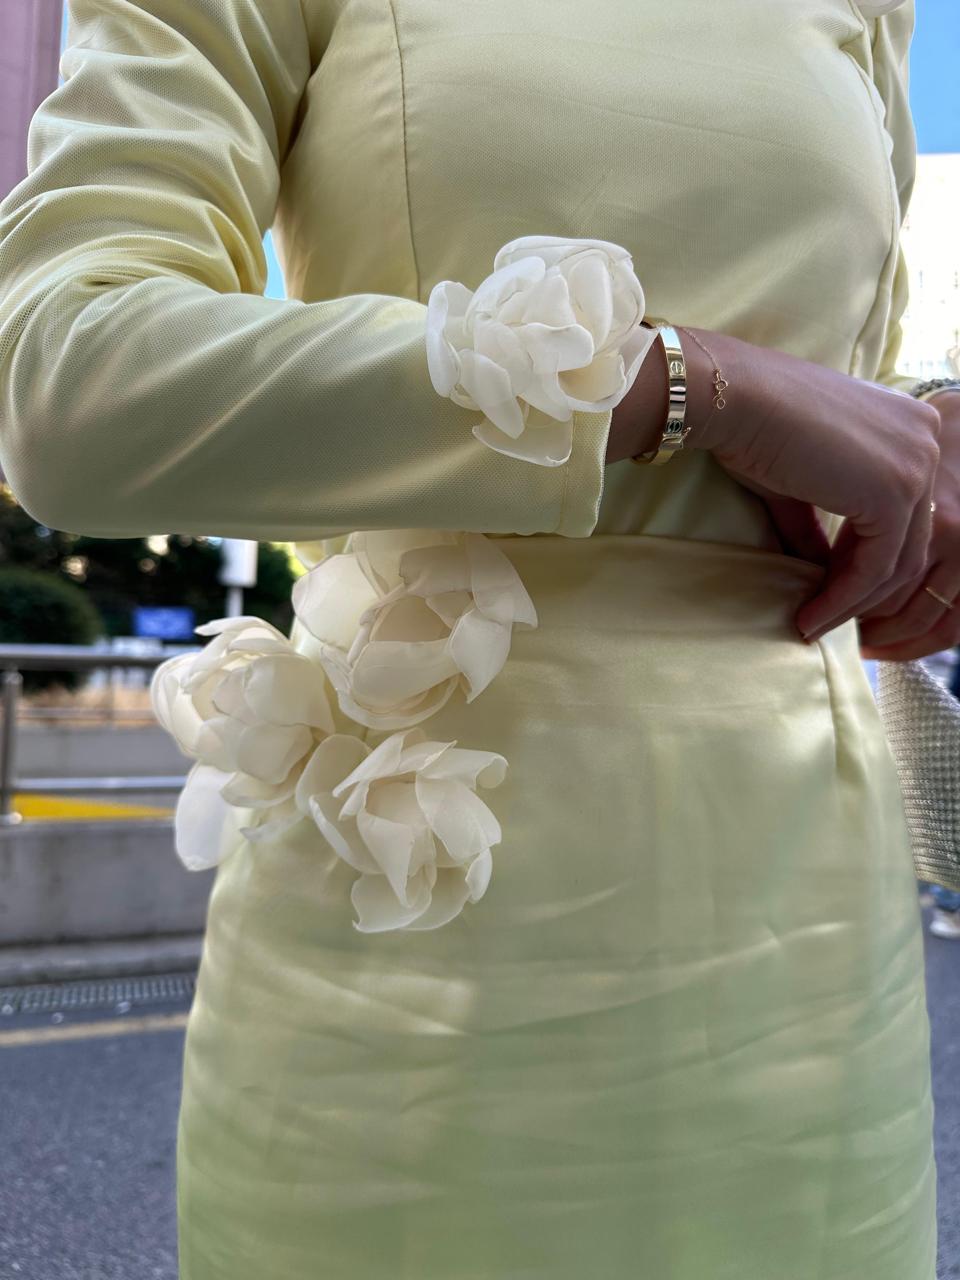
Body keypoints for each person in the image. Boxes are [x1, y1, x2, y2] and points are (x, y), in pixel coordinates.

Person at [1, 2, 958, 1276]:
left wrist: (927, 443)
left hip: (810, 924)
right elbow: (70, 382)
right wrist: (677, 383)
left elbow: (844, 397)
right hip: (427, 925)